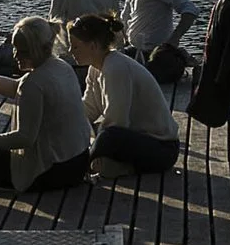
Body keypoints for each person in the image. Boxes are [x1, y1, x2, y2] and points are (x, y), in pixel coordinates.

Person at [0, 16, 94, 193]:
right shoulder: (61, 67)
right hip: (79, 162)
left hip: (53, 171)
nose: (15, 55)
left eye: (23, 51)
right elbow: (17, 87)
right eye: (14, 48)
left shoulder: (34, 82)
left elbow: (24, 138)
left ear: (43, 49)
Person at [69, 13, 180, 177]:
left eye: (76, 46)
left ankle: (89, 167)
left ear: (93, 45)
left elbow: (117, 121)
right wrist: (68, 127)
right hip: (137, 140)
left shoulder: (115, 67)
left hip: (162, 148)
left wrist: (93, 146)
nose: (71, 51)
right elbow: (89, 109)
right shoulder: (95, 68)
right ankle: (111, 166)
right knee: (82, 128)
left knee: (107, 137)